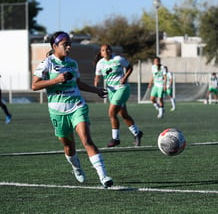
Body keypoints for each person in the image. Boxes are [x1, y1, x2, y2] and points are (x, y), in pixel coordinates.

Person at [32, 31, 113, 188]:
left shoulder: (72, 63)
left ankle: (103, 177)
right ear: (54, 46)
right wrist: (55, 80)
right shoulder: (46, 63)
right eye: (64, 44)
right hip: (57, 110)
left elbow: (78, 83)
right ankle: (76, 168)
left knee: (86, 140)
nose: (68, 47)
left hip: (76, 105)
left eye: (69, 44)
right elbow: (35, 85)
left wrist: (95, 90)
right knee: (69, 145)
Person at [94, 44, 143, 147]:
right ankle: (137, 133)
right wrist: (96, 88)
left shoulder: (118, 59)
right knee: (123, 114)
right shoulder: (100, 64)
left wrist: (125, 77)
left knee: (111, 113)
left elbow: (129, 67)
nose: (105, 51)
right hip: (111, 91)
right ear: (101, 53)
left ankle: (115, 138)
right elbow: (97, 77)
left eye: (107, 49)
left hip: (122, 88)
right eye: (103, 50)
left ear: (111, 51)